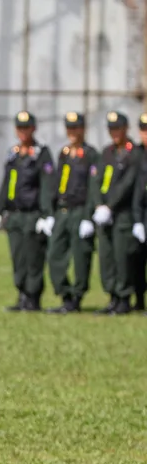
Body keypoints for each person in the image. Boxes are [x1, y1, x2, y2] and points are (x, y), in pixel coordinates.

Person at [0, 111, 55, 312]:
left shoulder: (41, 153)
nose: (23, 132)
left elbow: (47, 185)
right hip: (15, 215)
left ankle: (33, 298)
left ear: (33, 129)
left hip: (32, 214)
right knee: (18, 257)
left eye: (26, 128)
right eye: (20, 128)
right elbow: (6, 182)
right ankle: (22, 295)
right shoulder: (13, 153)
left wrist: (46, 214)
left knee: (33, 258)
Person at [45, 112, 99, 314]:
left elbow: (93, 187)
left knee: (81, 255)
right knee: (54, 255)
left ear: (83, 129)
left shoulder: (91, 154)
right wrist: (50, 212)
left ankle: (77, 296)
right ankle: (64, 293)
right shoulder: (64, 153)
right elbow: (57, 183)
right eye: (69, 128)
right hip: (63, 211)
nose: (72, 132)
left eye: (75, 128)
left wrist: (88, 216)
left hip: (80, 211)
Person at [92, 111, 143, 315]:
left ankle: (123, 297)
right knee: (107, 257)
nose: (115, 133)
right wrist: (98, 205)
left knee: (123, 258)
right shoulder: (106, 152)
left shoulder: (134, 153)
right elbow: (95, 181)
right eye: (111, 129)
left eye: (118, 129)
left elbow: (128, 183)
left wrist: (110, 206)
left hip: (122, 213)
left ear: (125, 129)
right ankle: (112, 296)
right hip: (104, 214)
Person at [130, 113, 147, 311]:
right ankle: (139, 301)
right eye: (143, 130)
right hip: (138, 213)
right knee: (136, 261)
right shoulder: (135, 154)